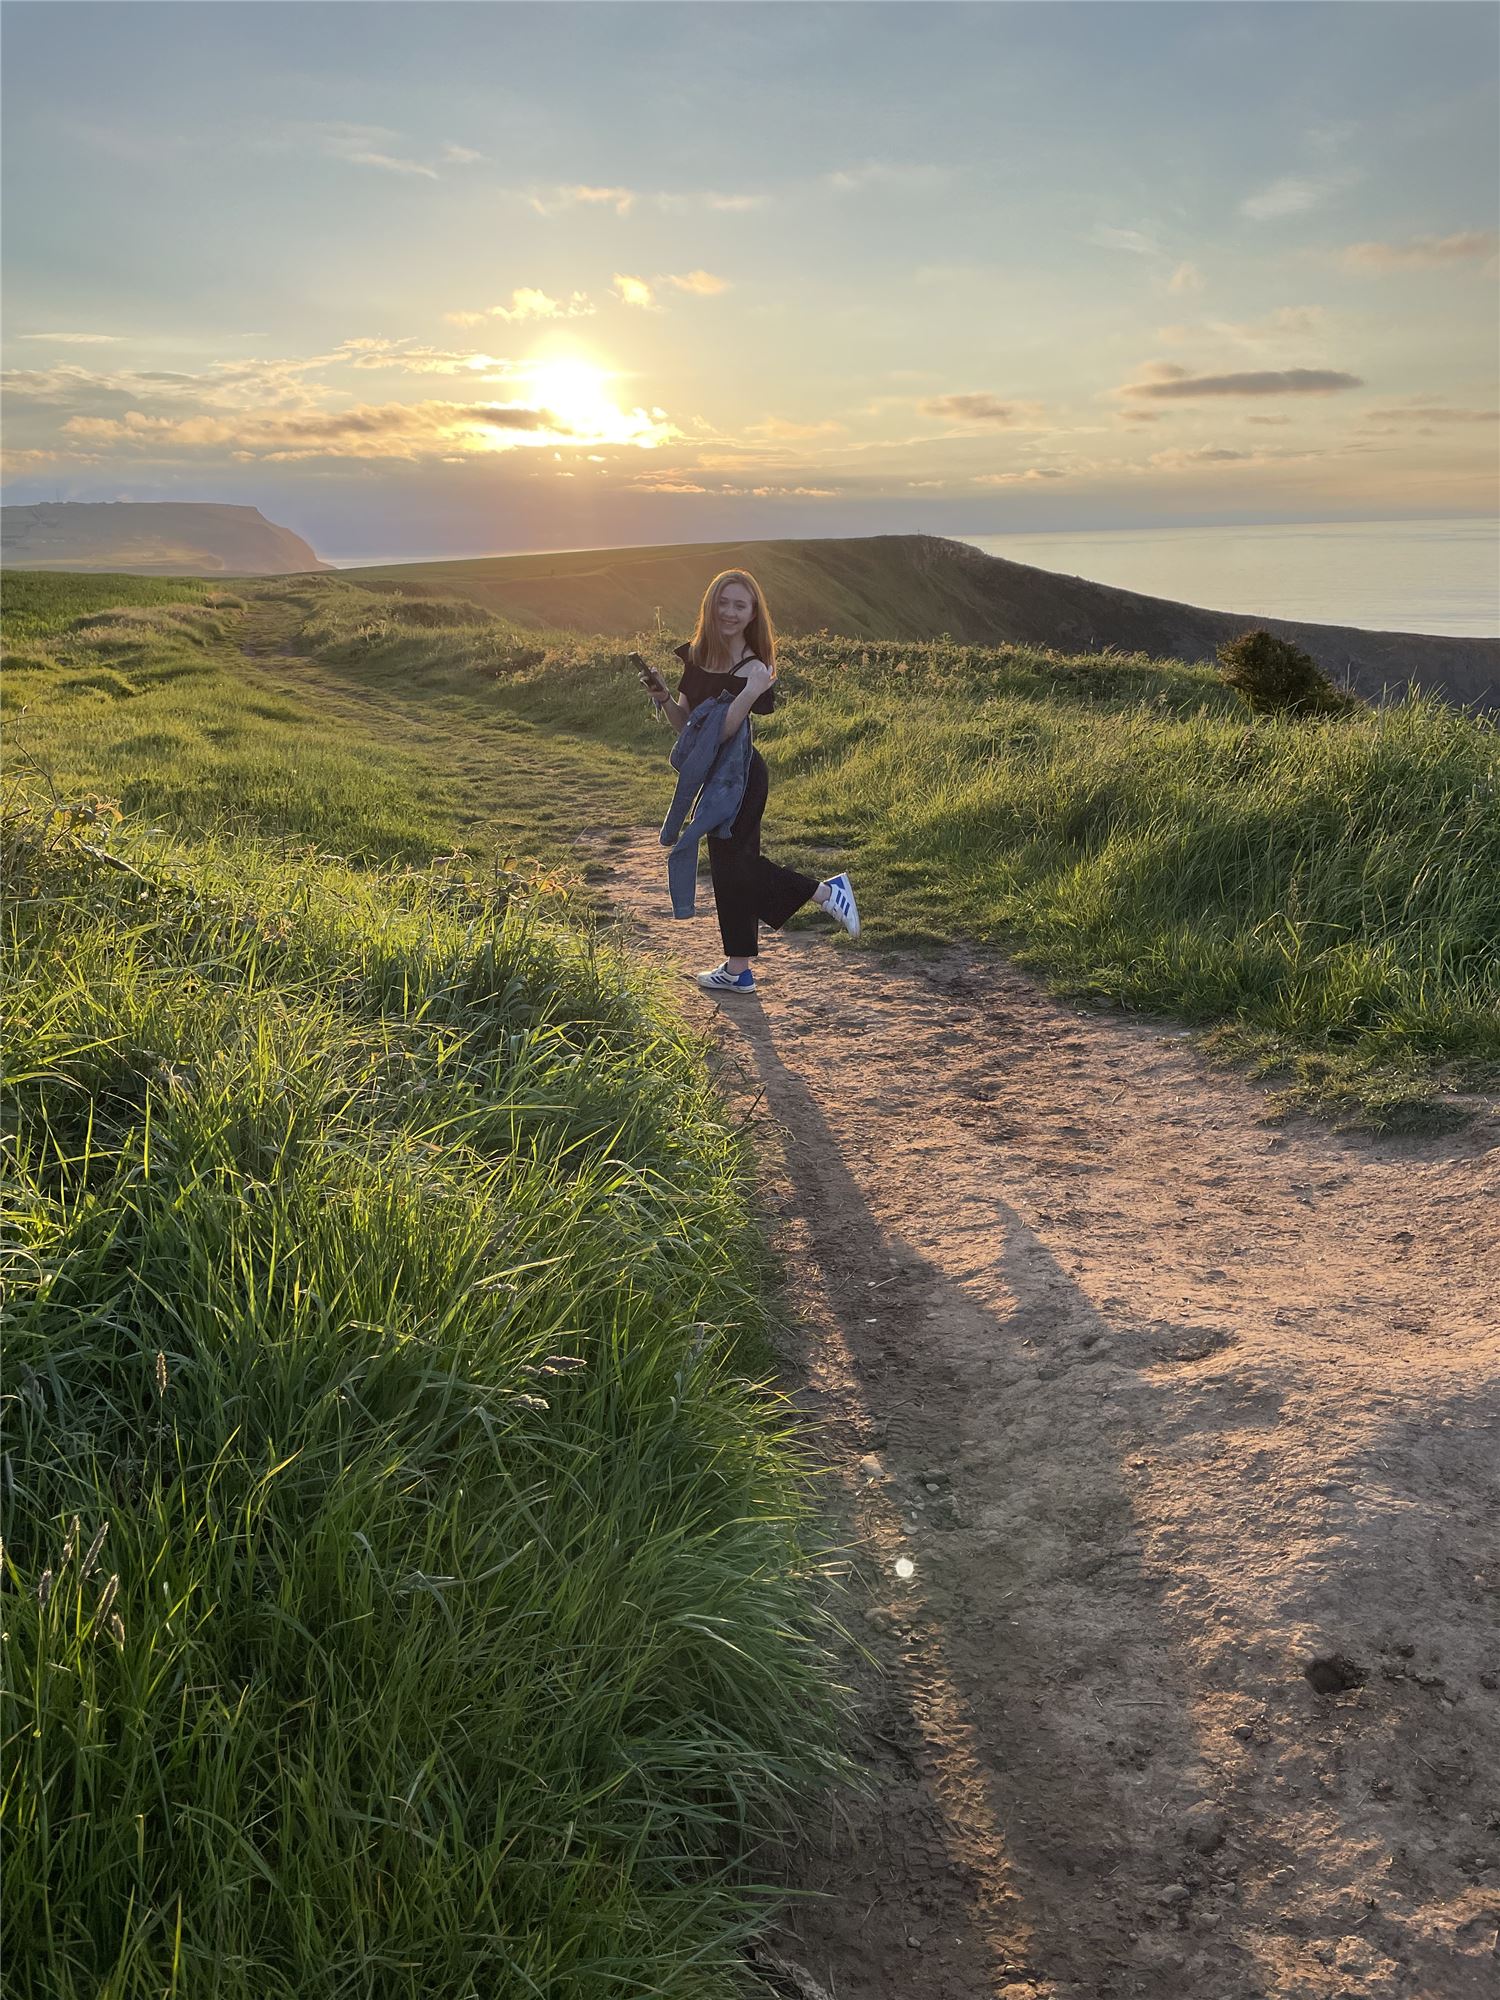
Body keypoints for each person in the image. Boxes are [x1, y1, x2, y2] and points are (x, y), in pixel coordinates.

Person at [638, 568, 860, 992]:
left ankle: (826, 894)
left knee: (737, 865)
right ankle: (738, 970)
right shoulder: (696, 655)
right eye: (723, 602)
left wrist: (748, 692)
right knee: (729, 868)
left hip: (740, 777)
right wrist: (665, 697)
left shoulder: (756, 669)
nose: (729, 612)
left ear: (754, 612)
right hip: (711, 776)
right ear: (711, 605)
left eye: (740, 605)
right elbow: (688, 729)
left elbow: (723, 732)